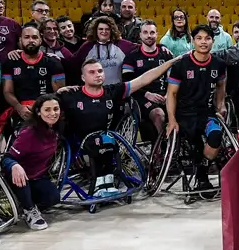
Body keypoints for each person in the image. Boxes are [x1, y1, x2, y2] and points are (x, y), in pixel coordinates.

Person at [60, 56, 175, 195]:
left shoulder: (112, 91)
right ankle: (98, 185)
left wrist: (171, 62)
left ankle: (107, 183)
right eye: (92, 72)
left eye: (100, 71)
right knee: (100, 142)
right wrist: (58, 93)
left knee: (107, 140)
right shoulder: (71, 95)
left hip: (106, 137)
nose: (97, 75)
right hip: (79, 141)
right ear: (83, 77)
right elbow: (46, 106)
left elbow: (144, 79)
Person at [166, 25, 230, 196]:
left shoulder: (219, 64)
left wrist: (221, 104)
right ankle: (202, 178)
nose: (203, 42)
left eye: (207, 38)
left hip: (207, 113)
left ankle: (202, 172)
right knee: (195, 145)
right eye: (199, 38)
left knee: (216, 135)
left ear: (213, 41)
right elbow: (171, 93)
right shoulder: (181, 65)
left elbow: (221, 86)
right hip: (185, 115)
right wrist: (172, 120)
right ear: (193, 41)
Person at [2, 95, 64, 230]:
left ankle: (27, 204)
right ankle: (29, 210)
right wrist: (14, 165)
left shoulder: (56, 129)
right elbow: (6, 158)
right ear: (38, 112)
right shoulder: (29, 133)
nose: (53, 113)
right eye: (47, 110)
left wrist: (66, 90)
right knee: (21, 178)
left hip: (37, 176)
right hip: (18, 176)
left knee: (54, 198)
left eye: (56, 109)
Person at [1, 23, 66, 121]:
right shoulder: (10, 63)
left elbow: (59, 93)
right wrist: (19, 107)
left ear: (40, 40)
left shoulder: (53, 63)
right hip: (21, 112)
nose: (31, 40)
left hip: (47, 112)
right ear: (20, 40)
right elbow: (8, 91)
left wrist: (43, 109)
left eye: (34, 37)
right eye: (26, 37)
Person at [122, 20, 174, 141]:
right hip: (141, 96)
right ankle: (161, 148)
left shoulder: (166, 55)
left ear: (157, 34)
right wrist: (147, 94)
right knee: (158, 114)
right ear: (140, 35)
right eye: (145, 32)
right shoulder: (131, 57)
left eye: (152, 32)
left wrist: (168, 94)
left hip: (165, 95)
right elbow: (128, 83)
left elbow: (173, 78)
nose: (149, 35)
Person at [71, 16, 134, 84]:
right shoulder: (87, 47)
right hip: (94, 90)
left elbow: (141, 48)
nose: (104, 31)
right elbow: (73, 62)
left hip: (117, 89)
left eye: (107, 29)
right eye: (100, 29)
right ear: (95, 30)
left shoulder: (122, 44)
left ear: (112, 30)